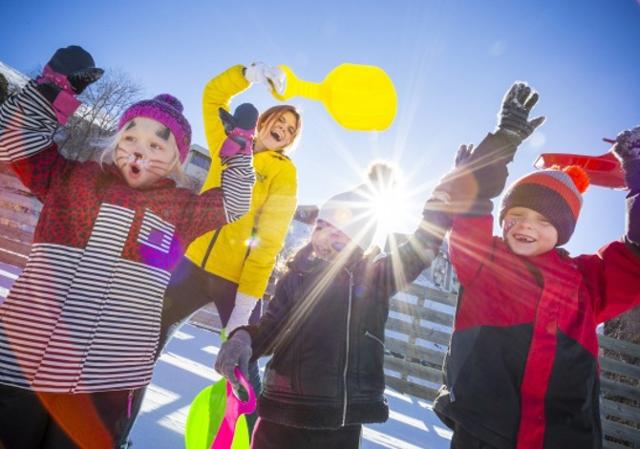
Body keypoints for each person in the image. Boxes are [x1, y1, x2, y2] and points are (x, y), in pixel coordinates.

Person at [0, 45, 255, 449]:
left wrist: (239, 147)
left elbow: (235, 202)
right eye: (131, 136)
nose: (139, 149)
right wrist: (52, 89)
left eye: (157, 146)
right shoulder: (71, 180)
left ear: (177, 162)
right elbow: (14, 142)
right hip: (19, 365)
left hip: (104, 386)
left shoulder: (181, 209)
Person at [431, 83, 640, 449]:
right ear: (503, 220)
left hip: (563, 438)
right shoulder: (484, 260)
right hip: (485, 431)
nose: (527, 225)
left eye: (545, 221)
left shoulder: (587, 281)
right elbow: (472, 201)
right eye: (518, 214)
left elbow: (636, 256)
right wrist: (503, 141)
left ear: (562, 232)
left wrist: (637, 175)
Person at [123, 62, 303, 440]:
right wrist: (248, 74)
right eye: (279, 122)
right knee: (139, 348)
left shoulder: (284, 173)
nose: (282, 131)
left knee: (244, 370)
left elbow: (269, 239)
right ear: (265, 120)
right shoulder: (229, 142)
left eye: (289, 131)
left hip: (236, 282)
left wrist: (247, 299)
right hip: (189, 264)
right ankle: (115, 429)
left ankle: (259, 444)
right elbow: (213, 96)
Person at [214, 180, 451, 449]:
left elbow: (418, 251)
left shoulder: (375, 278)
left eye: (338, 232)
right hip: (281, 411)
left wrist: (440, 205)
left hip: (338, 421)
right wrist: (244, 338)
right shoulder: (296, 277)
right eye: (322, 227)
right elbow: (271, 327)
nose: (326, 237)